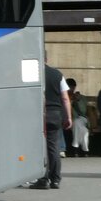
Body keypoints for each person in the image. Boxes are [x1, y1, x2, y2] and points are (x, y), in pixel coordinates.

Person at [29, 61, 73, 189]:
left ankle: (43, 179)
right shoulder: (57, 74)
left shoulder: (32, 74)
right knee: (53, 147)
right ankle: (55, 180)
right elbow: (65, 98)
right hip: (54, 114)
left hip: (37, 114)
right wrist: (68, 117)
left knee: (38, 148)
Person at [69, 78, 90, 157]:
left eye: (72, 87)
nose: (71, 89)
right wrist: (70, 102)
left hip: (82, 119)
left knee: (77, 123)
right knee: (84, 131)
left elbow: (83, 111)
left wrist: (78, 101)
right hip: (70, 119)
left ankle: (76, 148)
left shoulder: (81, 97)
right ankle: (85, 150)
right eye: (69, 87)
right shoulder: (64, 96)